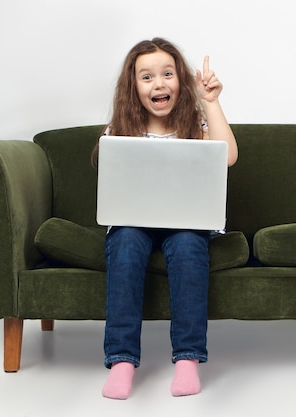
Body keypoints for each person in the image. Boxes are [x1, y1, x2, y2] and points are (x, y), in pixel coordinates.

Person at [91, 37, 238, 400]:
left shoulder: (196, 123)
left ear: (180, 81)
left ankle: (187, 360)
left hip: (185, 223)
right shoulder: (121, 130)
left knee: (189, 245)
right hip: (132, 223)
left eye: (167, 74)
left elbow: (228, 156)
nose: (159, 83)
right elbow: (104, 167)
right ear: (133, 88)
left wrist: (211, 102)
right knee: (125, 243)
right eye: (147, 77)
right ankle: (122, 361)